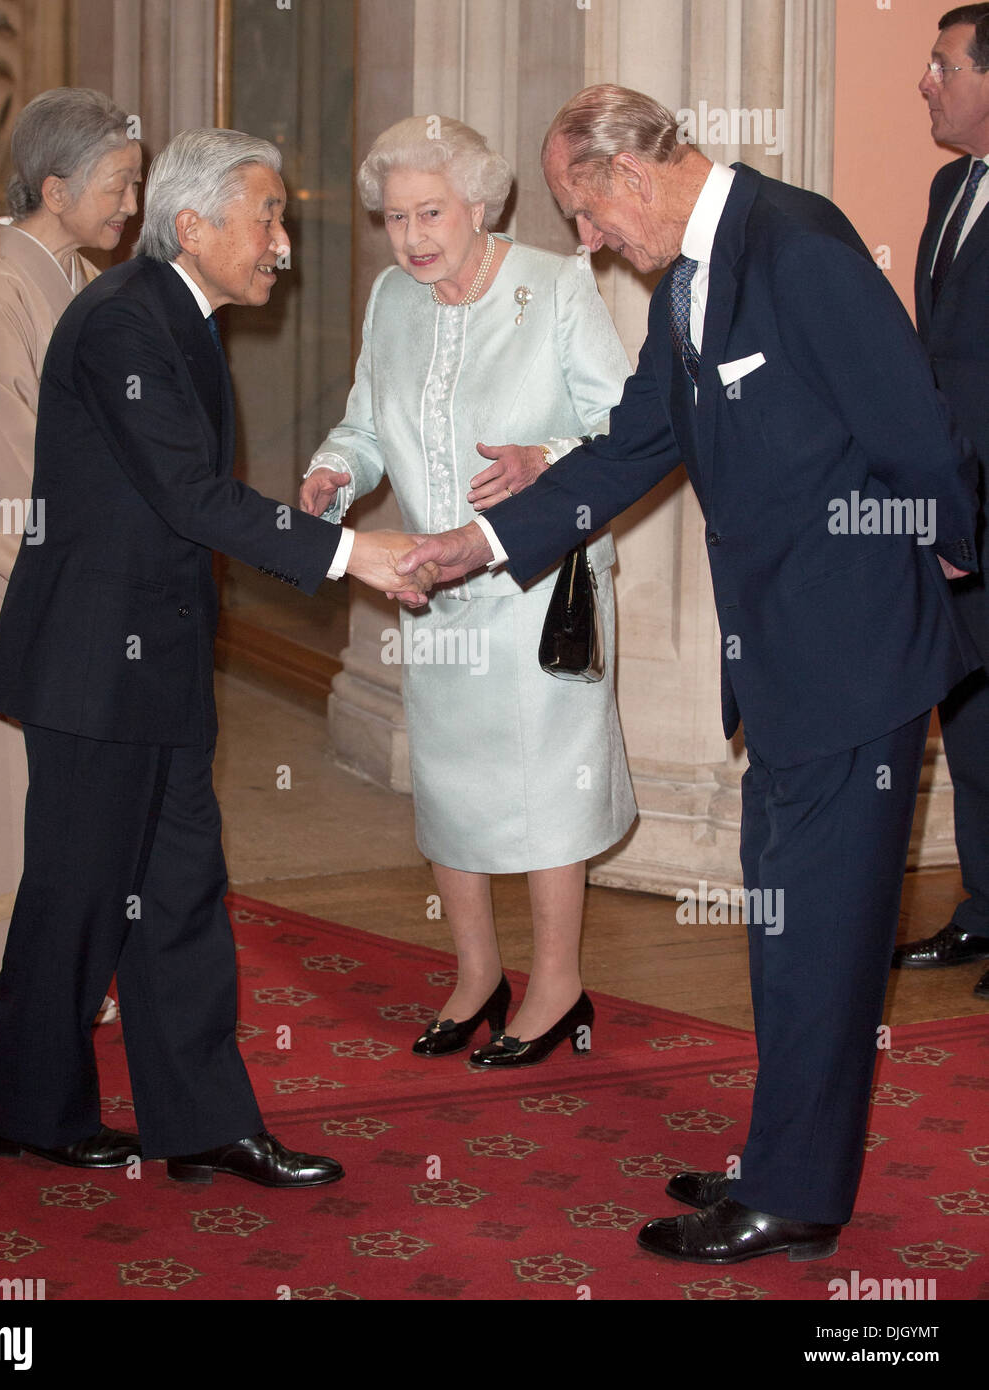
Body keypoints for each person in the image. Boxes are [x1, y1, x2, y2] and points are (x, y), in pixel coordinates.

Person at [400, 84, 980, 1263]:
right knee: (786, 927)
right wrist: (485, 542)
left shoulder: (799, 247)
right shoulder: (685, 284)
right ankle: (782, 1155)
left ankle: (798, 1197)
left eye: (583, 210)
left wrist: (945, 583)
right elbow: (632, 446)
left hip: (849, 659)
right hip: (780, 660)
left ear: (629, 174)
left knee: (815, 933)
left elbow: (917, 436)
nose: (586, 238)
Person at [0, 128, 435, 1184]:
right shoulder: (126, 325)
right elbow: (192, 496)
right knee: (82, 890)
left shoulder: (171, 316)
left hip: (158, 659)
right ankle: (30, 1108)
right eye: (266, 216)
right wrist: (352, 551)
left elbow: (181, 505)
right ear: (194, 227)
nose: (282, 241)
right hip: (97, 665)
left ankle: (202, 1123)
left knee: (179, 887)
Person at [300, 116, 636, 1067]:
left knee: (548, 788)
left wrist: (544, 459)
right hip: (433, 587)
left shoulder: (555, 285)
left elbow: (627, 431)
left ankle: (561, 984)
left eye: (431, 212)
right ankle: (478, 974)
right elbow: (366, 422)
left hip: (539, 587)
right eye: (396, 217)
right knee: (451, 786)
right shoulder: (391, 299)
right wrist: (334, 469)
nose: (411, 237)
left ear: (480, 205)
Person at [0, 87, 141, 1029]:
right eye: (121, 186)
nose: (133, 205)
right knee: (4, 794)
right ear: (56, 187)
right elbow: (2, 474)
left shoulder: (70, 272)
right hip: (1, 584)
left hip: (59, 581)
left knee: (59, 795)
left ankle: (60, 974)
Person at [892, 4, 989, 1000]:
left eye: (943, 64)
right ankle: (982, 907)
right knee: (968, 722)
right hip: (951, 514)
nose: (926, 82)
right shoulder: (948, 185)